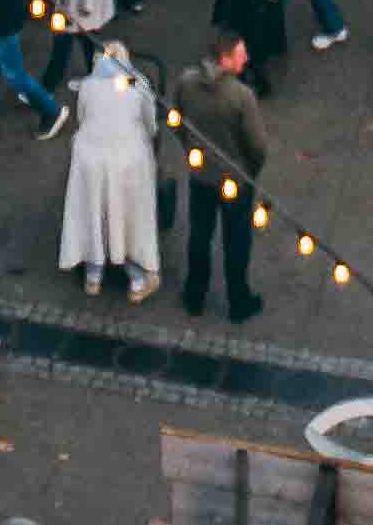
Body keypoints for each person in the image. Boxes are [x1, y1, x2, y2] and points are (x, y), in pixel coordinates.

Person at [58, 32, 162, 295]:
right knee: (130, 216)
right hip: (127, 159)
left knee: (92, 211)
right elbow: (150, 123)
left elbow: (82, 118)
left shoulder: (88, 86)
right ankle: (136, 278)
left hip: (89, 159)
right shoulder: (135, 83)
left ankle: (93, 275)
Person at [175, 31, 270, 317]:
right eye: (241, 54)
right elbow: (258, 146)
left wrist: (191, 150)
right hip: (236, 180)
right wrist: (249, 172)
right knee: (236, 242)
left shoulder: (186, 83)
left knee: (200, 236)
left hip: (201, 175)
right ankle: (238, 301)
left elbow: (176, 120)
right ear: (226, 59)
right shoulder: (241, 96)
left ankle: (195, 295)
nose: (246, 58)